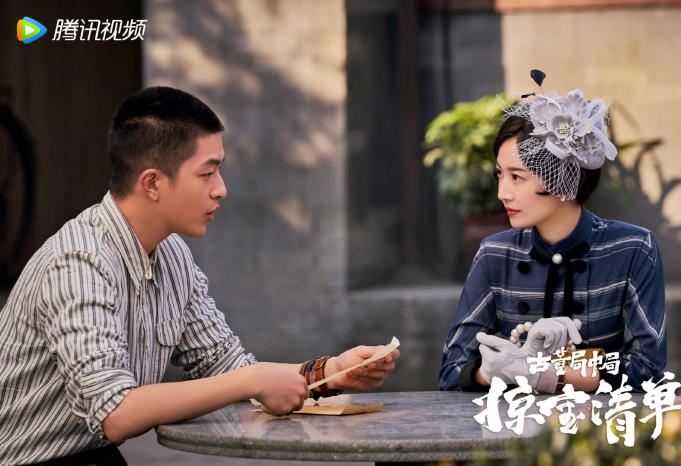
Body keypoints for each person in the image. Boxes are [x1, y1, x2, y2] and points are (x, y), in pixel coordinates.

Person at [0, 86, 400, 466]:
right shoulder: (79, 261)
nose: (221, 190)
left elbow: (225, 367)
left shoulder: (172, 254)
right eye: (207, 174)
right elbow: (114, 412)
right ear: (152, 183)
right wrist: (251, 379)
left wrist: (331, 372)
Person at [439, 81, 666, 395]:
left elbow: (648, 370)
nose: (502, 193)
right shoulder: (495, 253)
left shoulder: (632, 249)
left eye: (517, 177)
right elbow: (452, 371)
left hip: (599, 424)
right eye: (499, 174)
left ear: (561, 177)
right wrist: (489, 371)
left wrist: (548, 375)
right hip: (511, 423)